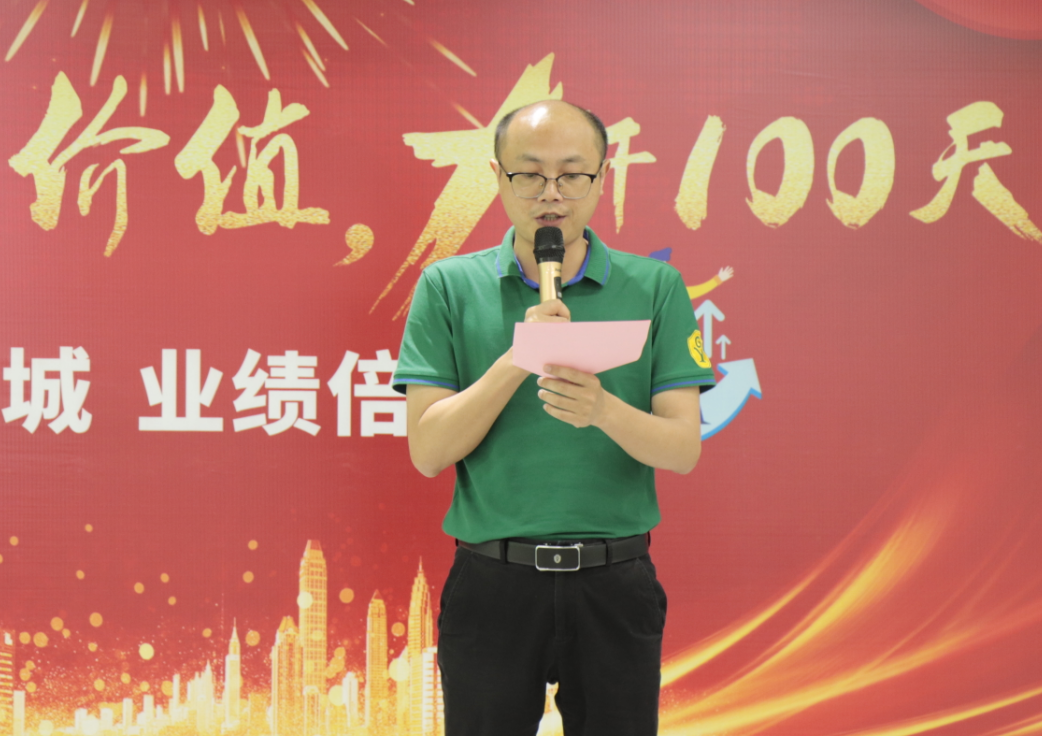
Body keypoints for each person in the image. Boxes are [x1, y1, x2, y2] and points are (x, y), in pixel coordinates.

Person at [393, 100, 716, 735]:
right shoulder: (447, 286)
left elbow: (682, 449)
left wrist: (603, 409)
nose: (551, 194)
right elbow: (428, 451)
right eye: (530, 174)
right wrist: (521, 356)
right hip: (492, 581)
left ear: (602, 177)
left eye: (572, 174)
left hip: (615, 582)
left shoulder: (656, 287)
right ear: (497, 176)